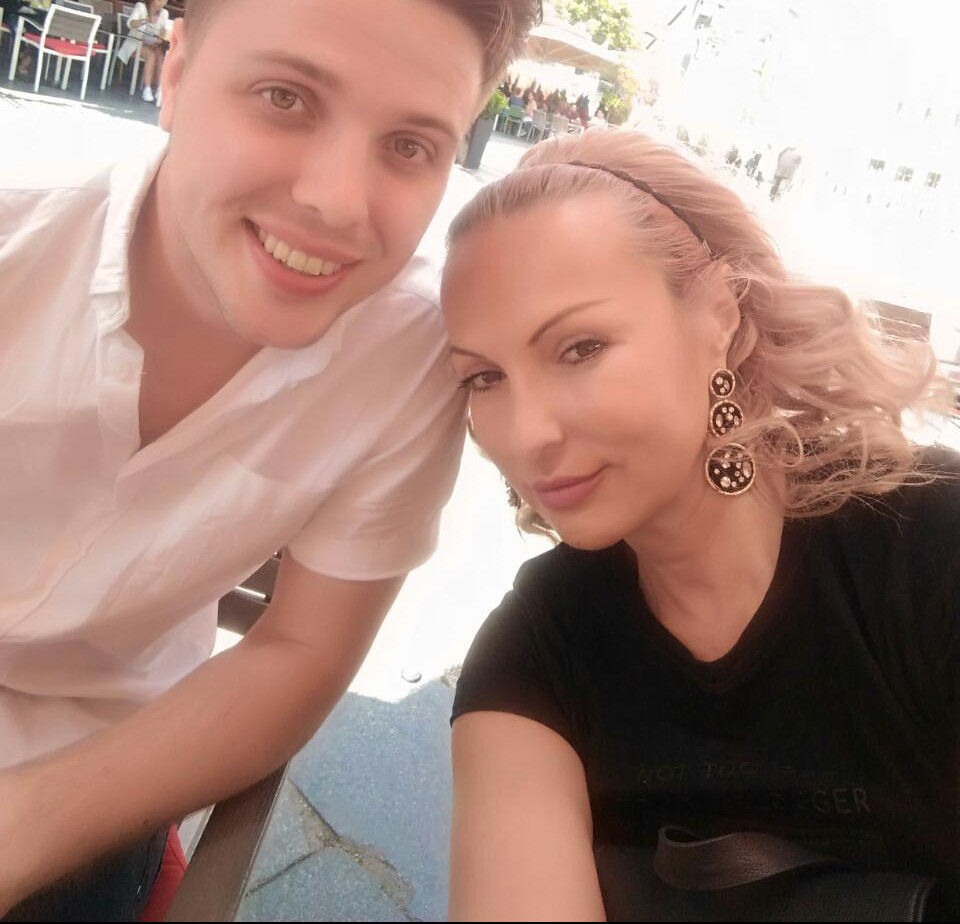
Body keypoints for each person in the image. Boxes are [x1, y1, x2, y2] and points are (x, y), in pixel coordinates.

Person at [0, 0, 541, 919]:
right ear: (176, 73)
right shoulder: (21, 234)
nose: (338, 201)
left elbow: (301, 651)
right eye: (285, 97)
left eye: (410, 145)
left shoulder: (405, 362)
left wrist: (20, 831)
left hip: (96, 778)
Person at [441, 129, 958, 920]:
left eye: (580, 348)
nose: (526, 431)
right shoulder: (539, 648)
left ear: (721, 313)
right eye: (484, 377)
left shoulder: (928, 547)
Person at [117, 0, 170, 104]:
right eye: (160, 0)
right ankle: (147, 89)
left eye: (165, 1)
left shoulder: (164, 13)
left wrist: (158, 41)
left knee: (161, 56)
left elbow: (163, 31)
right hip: (136, 41)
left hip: (153, 43)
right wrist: (146, 20)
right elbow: (130, 24)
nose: (162, 4)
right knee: (151, 55)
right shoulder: (140, 6)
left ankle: (158, 88)